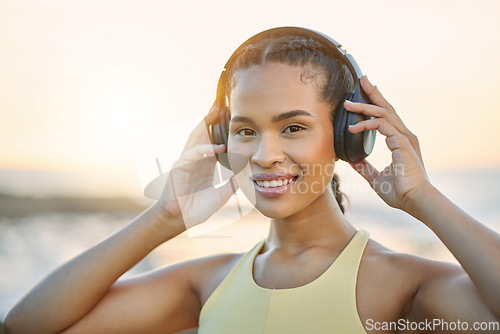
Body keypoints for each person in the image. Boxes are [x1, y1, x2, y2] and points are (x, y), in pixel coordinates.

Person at [3, 27, 500, 334]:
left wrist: (424, 199)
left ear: (349, 136)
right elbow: (25, 326)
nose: (264, 155)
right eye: (245, 130)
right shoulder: (209, 284)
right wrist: (163, 218)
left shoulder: (400, 287)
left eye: (293, 127)